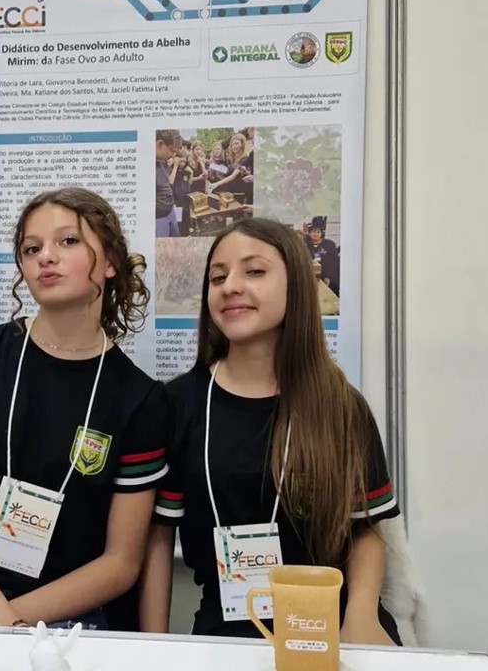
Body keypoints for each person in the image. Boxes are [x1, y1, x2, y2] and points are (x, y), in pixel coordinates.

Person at [0, 187, 169, 630]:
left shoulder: (140, 398)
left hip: (58, 610)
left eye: (68, 241)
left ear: (112, 261)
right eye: (32, 248)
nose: (46, 257)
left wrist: (9, 624)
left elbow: (121, 562)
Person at [139, 218, 401, 644]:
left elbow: (365, 529)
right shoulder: (176, 405)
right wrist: (152, 646)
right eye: (218, 276)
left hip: (331, 622)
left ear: (296, 286)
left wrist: (361, 616)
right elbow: (158, 538)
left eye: (255, 271)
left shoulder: (340, 405)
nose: (231, 286)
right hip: (228, 627)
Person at [305, 215, 340, 297]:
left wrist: (328, 276)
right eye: (313, 231)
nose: (315, 234)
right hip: (312, 279)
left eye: (318, 231)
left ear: (322, 233)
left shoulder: (329, 244)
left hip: (330, 279)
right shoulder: (305, 245)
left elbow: (333, 263)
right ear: (309, 233)